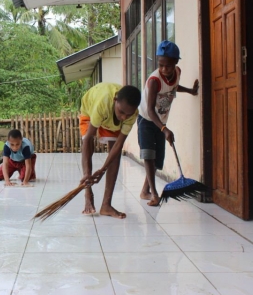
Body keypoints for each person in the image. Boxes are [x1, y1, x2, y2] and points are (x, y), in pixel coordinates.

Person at [138, 40, 199, 206]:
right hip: (146, 120)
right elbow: (150, 109)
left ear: (176, 63)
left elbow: (174, 87)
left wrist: (191, 91)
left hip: (161, 122)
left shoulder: (177, 72)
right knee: (149, 156)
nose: (164, 69)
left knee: (158, 159)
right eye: (161, 65)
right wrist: (164, 129)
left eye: (168, 66)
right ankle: (154, 194)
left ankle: (145, 190)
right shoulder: (154, 81)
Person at [80, 83, 141, 219]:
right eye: (121, 112)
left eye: (128, 114)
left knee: (115, 153)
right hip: (90, 109)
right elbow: (88, 139)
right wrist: (87, 179)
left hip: (108, 115)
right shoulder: (102, 104)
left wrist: (103, 170)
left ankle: (106, 205)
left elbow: (118, 144)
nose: (124, 117)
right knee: (88, 146)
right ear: (115, 101)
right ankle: (88, 195)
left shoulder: (132, 114)